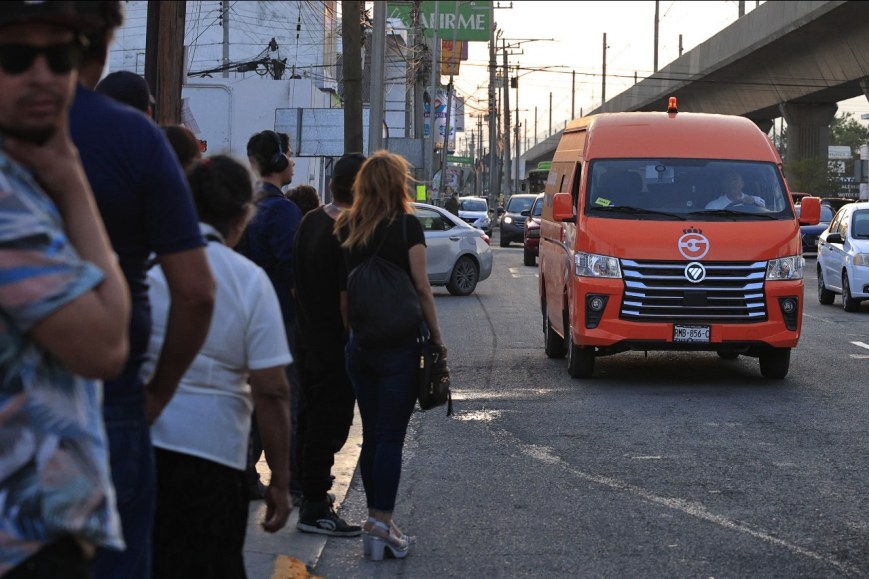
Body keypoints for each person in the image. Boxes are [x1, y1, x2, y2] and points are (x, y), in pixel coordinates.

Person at [69, 3, 216, 577]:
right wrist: (157, 391)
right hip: (110, 397)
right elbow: (196, 293)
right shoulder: (135, 139)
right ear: (105, 39)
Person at [0, 1, 130, 575]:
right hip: (24, 528)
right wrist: (73, 183)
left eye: (61, 57)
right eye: (16, 56)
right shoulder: (7, 201)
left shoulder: (22, 180)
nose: (42, 75)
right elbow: (105, 344)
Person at [145, 155, 292, 578]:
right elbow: (272, 389)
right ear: (244, 216)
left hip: (146, 444)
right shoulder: (248, 280)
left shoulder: (149, 269)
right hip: (216, 455)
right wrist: (279, 482)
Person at [334, 151, 446, 561]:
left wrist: (352, 334)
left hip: (360, 345)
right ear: (398, 184)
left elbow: (344, 294)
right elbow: (421, 286)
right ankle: (382, 522)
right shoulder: (407, 226)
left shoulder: (347, 225)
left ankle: (376, 522)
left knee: (373, 436)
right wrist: (436, 337)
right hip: (399, 347)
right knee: (391, 438)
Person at [293, 153, 366, 538]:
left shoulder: (310, 221)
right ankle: (316, 505)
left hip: (305, 337)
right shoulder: (346, 229)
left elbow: (295, 280)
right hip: (333, 345)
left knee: (309, 417)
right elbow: (345, 300)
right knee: (329, 423)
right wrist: (354, 340)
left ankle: (308, 494)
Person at [243, 129, 304, 504]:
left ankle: (247, 472)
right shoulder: (282, 210)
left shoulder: (249, 204)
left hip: (252, 317)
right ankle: (293, 479)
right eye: (291, 154)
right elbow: (294, 272)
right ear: (280, 159)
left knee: (253, 399)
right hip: (282, 317)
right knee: (286, 399)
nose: (294, 162)